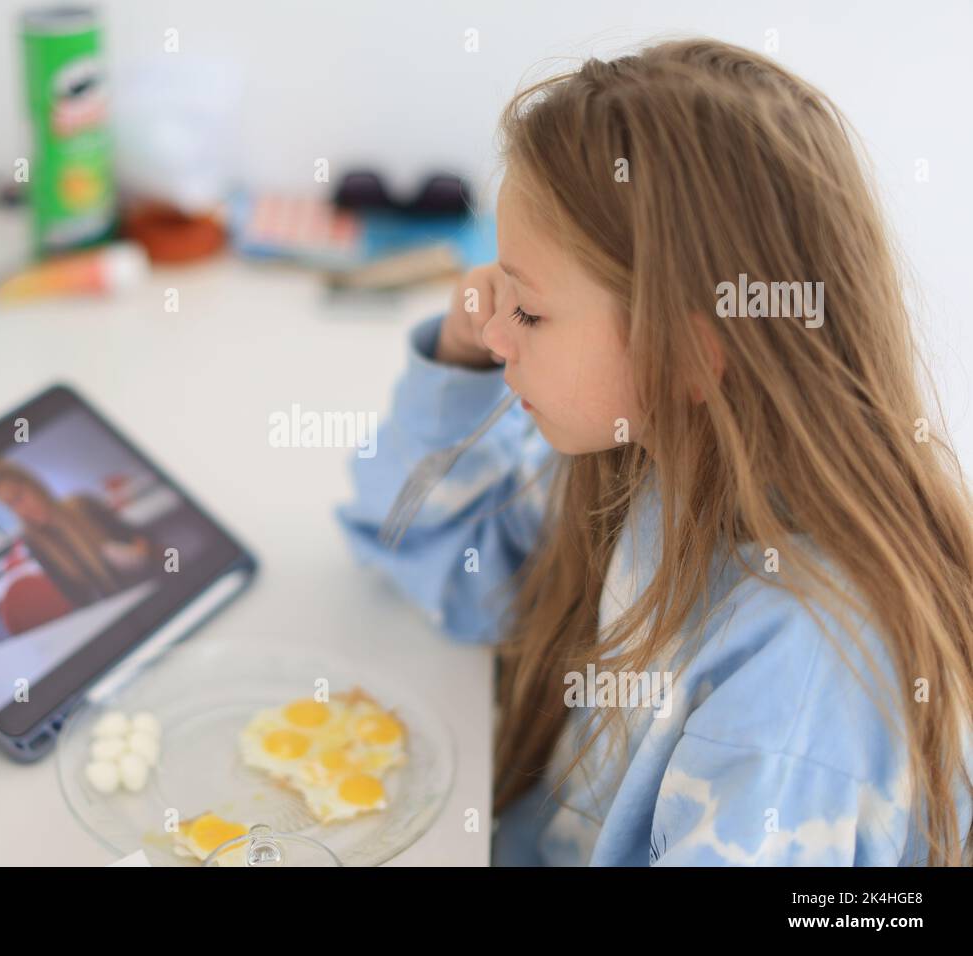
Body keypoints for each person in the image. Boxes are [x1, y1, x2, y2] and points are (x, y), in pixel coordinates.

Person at [339, 39, 973, 865]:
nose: (496, 331)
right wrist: (458, 359)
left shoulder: (799, 689)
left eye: (526, 311)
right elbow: (433, 557)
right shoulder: (648, 462)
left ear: (687, 357)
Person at [0, 459, 151, 608]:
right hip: (115, 609)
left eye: (19, 497)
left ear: (34, 486)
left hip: (146, 588)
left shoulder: (83, 506)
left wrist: (138, 552)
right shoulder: (35, 543)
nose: (21, 510)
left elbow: (142, 540)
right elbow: (75, 598)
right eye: (10, 505)